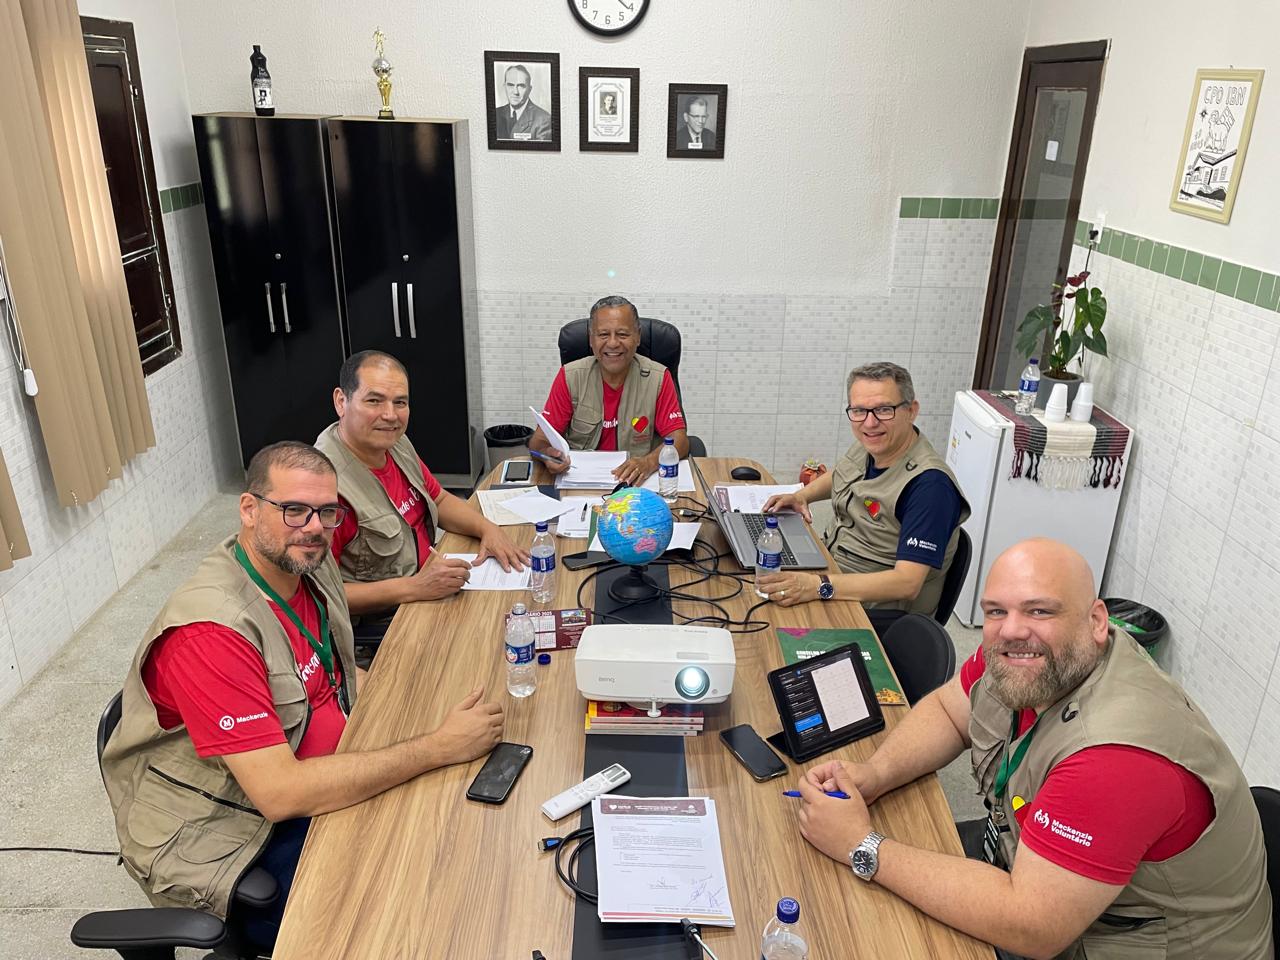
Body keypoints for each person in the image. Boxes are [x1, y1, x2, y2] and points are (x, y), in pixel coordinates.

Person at [101, 442, 504, 950]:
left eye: (327, 512)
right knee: (414, 912)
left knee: (462, 836)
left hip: (313, 769)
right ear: (249, 509)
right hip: (234, 832)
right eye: (293, 510)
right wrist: (436, 747)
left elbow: (326, 670)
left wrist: (422, 706)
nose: (313, 528)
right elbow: (281, 794)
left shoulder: (305, 564)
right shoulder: (212, 633)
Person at [793, 539, 1273, 960]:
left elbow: (1033, 925)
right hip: (1038, 874)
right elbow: (948, 712)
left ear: (1096, 621)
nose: (1012, 630)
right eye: (996, 611)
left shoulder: (1114, 761)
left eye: (1040, 611)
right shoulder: (1025, 657)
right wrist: (874, 774)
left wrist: (862, 844)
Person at [759, 361, 969, 634]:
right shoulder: (874, 445)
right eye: (859, 411)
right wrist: (802, 496)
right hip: (832, 572)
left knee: (763, 624)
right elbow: (842, 474)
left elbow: (907, 583)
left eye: (884, 409)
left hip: (874, 613)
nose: (870, 423)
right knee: (752, 578)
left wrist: (817, 585)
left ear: (911, 411)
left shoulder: (930, 487)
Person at [315, 351, 527, 618]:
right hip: (387, 617)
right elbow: (321, 596)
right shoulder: (322, 488)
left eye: (400, 402)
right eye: (374, 401)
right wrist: (415, 587)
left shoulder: (396, 444)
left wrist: (488, 529)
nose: (390, 415)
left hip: (430, 583)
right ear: (341, 401)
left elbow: (439, 499)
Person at [529, 295, 690, 486]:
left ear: (638, 337)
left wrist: (647, 463)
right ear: (591, 339)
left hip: (637, 486)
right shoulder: (570, 376)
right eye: (603, 334)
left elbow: (680, 441)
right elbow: (538, 441)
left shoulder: (658, 378)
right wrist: (548, 455)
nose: (613, 343)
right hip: (579, 484)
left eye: (622, 334)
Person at [495, 64, 552, 142]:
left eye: (521, 86)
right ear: (505, 86)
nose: (515, 92)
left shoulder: (543, 120)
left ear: (529, 89)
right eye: (510, 85)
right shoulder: (496, 113)